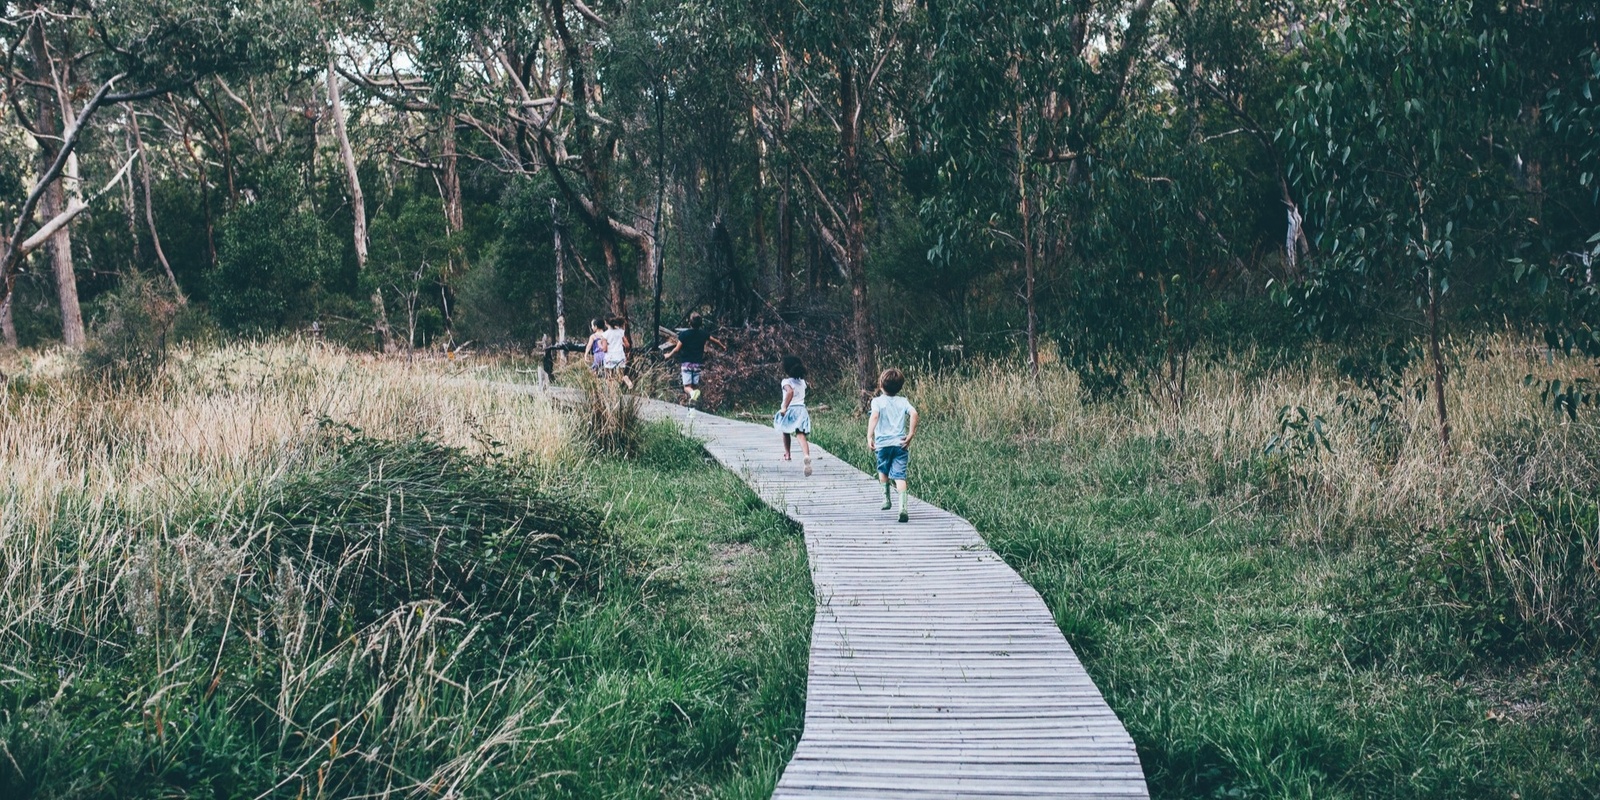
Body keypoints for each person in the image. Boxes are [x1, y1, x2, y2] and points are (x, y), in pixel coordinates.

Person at [868, 368, 918, 523]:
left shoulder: (877, 401)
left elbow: (875, 416)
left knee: (883, 470)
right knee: (900, 475)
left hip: (883, 445)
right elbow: (914, 414)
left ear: (881, 385)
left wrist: (869, 435)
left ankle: (886, 499)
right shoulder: (903, 401)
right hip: (900, 444)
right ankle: (902, 508)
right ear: (900, 387)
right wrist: (910, 435)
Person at [773, 355, 813, 476]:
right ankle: (806, 456)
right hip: (801, 410)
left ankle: (787, 454)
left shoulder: (786, 382)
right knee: (800, 435)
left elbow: (790, 392)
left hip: (791, 409)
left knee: (785, 431)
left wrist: (784, 407)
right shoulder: (803, 382)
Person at [662, 312, 712, 407]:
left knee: (687, 388)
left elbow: (677, 349)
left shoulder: (684, 334)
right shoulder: (703, 334)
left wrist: (669, 355)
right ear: (701, 323)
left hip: (686, 364)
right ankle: (692, 408)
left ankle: (692, 396)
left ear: (690, 322)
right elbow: (714, 340)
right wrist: (723, 346)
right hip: (697, 365)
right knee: (694, 387)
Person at [600, 316, 634, 389]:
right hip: (620, 356)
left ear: (606, 323)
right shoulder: (620, 332)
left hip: (610, 357)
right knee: (620, 375)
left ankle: (611, 391)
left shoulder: (605, 335)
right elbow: (627, 345)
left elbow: (605, 349)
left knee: (609, 376)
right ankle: (625, 378)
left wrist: (600, 345)